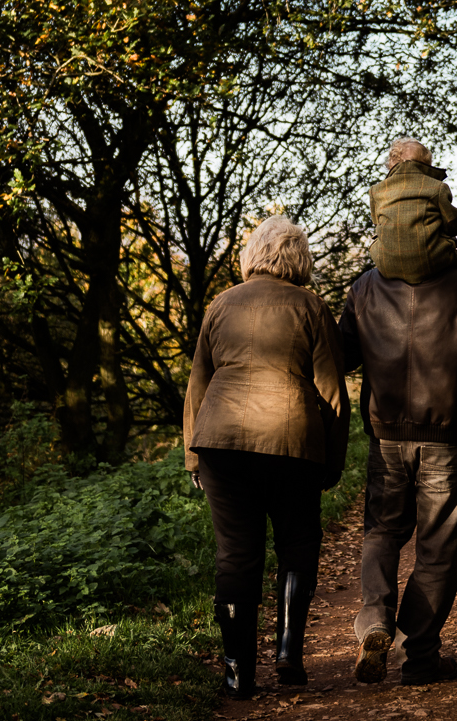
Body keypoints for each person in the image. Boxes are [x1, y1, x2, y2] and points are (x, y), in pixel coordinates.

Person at [342, 139, 457, 687]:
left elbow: (343, 356)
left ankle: (373, 621)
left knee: (381, 533)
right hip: (445, 438)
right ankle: (421, 658)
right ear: (441, 220)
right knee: (437, 547)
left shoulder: (364, 289)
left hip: (386, 435)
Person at [183, 215, 351, 700]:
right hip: (292, 444)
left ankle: (237, 672)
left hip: (220, 444)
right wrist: (332, 461)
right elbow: (332, 392)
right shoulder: (311, 306)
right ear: (299, 258)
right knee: (298, 543)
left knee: (236, 557)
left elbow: (198, 383)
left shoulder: (220, 304)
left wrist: (193, 458)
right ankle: (288, 652)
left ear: (252, 255)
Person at [368, 138, 457, 281]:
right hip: (430, 260)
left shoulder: (376, 190)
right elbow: (453, 222)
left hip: (387, 264)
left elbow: (377, 223)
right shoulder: (437, 187)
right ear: (427, 165)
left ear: (391, 164)